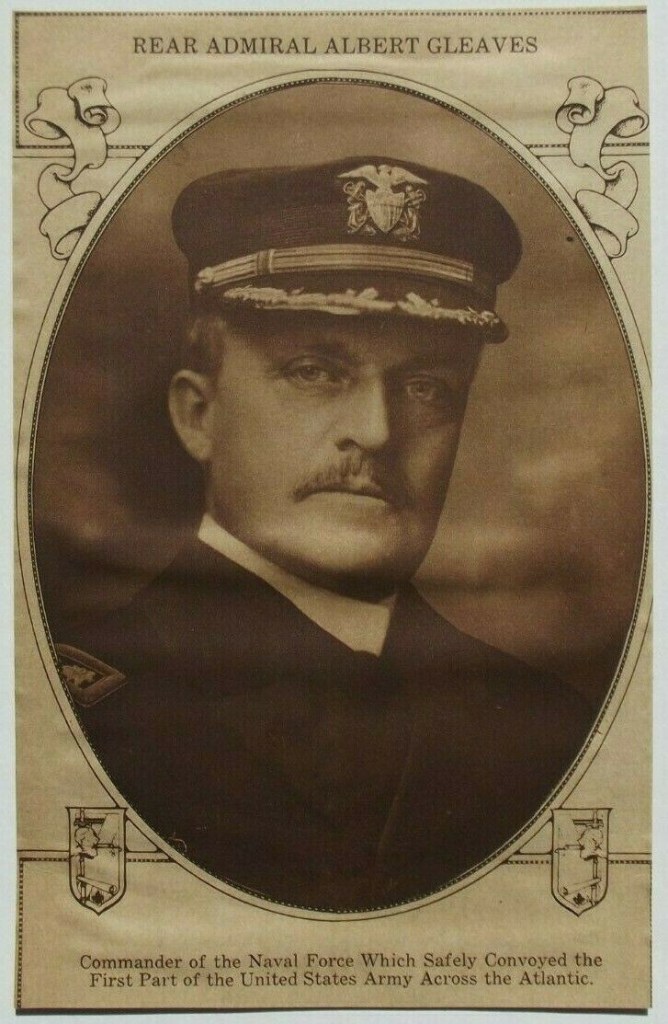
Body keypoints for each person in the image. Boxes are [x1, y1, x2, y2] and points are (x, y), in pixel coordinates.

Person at [56, 156, 593, 912]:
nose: (376, 431)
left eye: (426, 388)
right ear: (198, 416)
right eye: (314, 372)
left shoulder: (551, 728)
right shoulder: (80, 716)